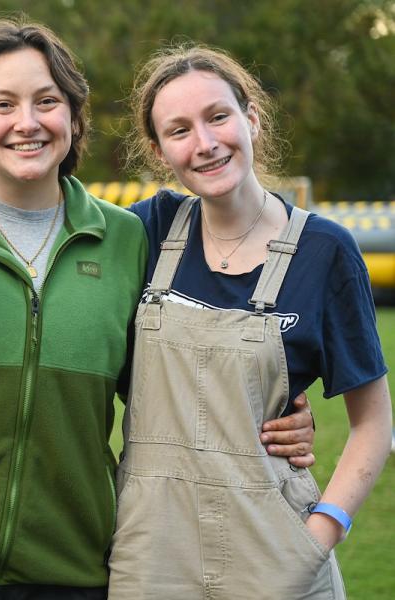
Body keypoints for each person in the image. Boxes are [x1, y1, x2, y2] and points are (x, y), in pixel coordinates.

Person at [0, 19, 316, 599]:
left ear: (73, 118)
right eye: (1, 104)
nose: (28, 122)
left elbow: (176, 381)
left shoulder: (129, 240)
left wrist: (278, 415)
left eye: (48, 101)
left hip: (75, 575)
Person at [104, 44, 391, 598]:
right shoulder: (144, 231)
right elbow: (36, 209)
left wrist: (319, 533)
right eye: (179, 130)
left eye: (218, 117)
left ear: (251, 119)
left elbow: (374, 423)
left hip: (276, 556)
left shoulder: (325, 250)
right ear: (160, 150)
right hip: (150, 558)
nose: (206, 144)